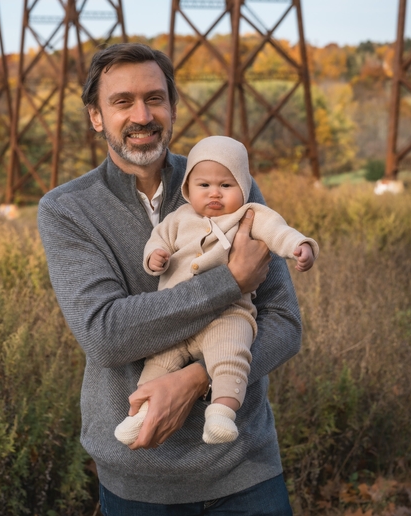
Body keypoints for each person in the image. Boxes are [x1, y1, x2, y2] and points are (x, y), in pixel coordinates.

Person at [38, 43, 302, 515]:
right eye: (122, 102)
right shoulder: (66, 209)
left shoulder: (228, 184)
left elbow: (284, 321)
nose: (142, 115)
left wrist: (200, 378)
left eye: (155, 98)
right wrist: (231, 281)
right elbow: (106, 334)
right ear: (96, 116)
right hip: (139, 482)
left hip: (244, 468)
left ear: (173, 107)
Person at [115, 135, 318, 447]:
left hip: (229, 313)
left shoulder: (249, 215)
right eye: (204, 185)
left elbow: (278, 231)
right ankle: (140, 413)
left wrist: (298, 246)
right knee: (159, 362)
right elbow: (159, 240)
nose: (214, 194)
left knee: (231, 354)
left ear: (244, 187)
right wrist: (154, 256)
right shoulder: (180, 218)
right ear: (187, 189)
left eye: (226, 186)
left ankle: (221, 412)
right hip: (176, 322)